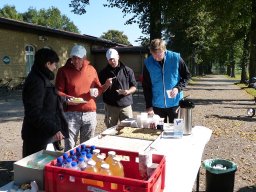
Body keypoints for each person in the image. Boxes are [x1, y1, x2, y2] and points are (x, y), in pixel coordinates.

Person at [55, 45, 111, 151]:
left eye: (79, 58)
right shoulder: (63, 71)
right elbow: (58, 92)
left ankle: (84, 165)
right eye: (74, 58)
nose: (76, 61)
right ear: (70, 58)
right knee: (70, 146)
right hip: (71, 114)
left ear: (84, 57)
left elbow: (99, 89)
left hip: (90, 112)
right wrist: (67, 99)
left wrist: (104, 87)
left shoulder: (91, 70)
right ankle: (69, 167)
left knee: (87, 146)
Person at [21, 48, 68, 157]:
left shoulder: (41, 77)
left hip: (43, 133)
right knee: (35, 170)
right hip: (36, 137)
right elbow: (33, 113)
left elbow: (47, 101)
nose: (55, 67)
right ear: (47, 64)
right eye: (54, 64)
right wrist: (54, 129)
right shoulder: (37, 81)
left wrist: (63, 100)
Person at [142, 39, 191, 123]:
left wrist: (177, 88)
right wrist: (149, 106)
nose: (156, 57)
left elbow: (187, 76)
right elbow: (146, 86)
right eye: (154, 55)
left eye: (159, 54)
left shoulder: (176, 58)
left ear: (164, 50)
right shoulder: (148, 62)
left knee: (176, 130)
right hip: (157, 105)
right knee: (158, 131)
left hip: (175, 104)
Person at [99, 48, 137, 128]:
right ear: (107, 60)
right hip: (110, 106)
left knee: (128, 129)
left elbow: (134, 86)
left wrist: (128, 91)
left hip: (125, 105)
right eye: (110, 59)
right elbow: (100, 90)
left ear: (118, 57)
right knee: (110, 130)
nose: (112, 61)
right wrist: (106, 85)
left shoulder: (128, 70)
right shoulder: (103, 73)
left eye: (113, 59)